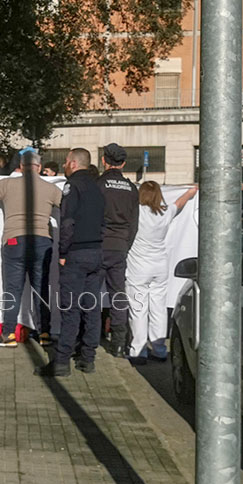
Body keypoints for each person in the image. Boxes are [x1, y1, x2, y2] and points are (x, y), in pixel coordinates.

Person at [0, 151, 61, 347]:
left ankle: (8, 334)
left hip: (14, 241)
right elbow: (68, 205)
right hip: (42, 242)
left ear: (21, 167)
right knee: (41, 289)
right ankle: (45, 333)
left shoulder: (8, 184)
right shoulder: (51, 188)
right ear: (39, 168)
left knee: (12, 290)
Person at [36, 148, 105, 377]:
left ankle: (62, 362)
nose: (64, 165)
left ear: (74, 164)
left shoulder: (72, 186)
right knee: (91, 307)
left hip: (76, 254)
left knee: (70, 309)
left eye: (66, 162)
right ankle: (88, 358)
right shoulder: (97, 187)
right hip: (96, 252)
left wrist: (63, 252)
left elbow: (67, 222)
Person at [125, 181, 197, 365]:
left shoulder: (135, 213)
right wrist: (191, 191)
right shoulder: (164, 212)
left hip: (138, 268)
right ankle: (159, 349)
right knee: (158, 308)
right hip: (160, 267)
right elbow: (180, 203)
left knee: (138, 309)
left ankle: (138, 350)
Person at [97, 143, 139, 358]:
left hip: (99, 244)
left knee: (90, 292)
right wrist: (125, 244)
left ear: (104, 161)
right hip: (120, 246)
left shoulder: (98, 185)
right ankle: (119, 344)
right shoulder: (131, 189)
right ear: (123, 164)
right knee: (118, 295)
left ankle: (90, 337)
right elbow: (134, 223)